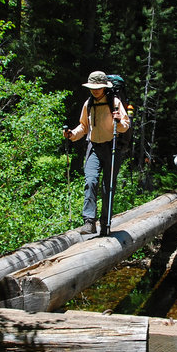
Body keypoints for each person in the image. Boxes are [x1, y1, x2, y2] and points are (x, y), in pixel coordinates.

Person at [64, 71, 131, 236]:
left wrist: (118, 121)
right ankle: (89, 222)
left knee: (108, 187)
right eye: (92, 87)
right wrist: (72, 135)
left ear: (104, 87)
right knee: (91, 181)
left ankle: (105, 223)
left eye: (98, 87)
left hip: (111, 147)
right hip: (93, 147)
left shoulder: (114, 102)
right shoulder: (88, 103)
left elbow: (125, 125)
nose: (95, 90)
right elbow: (84, 126)